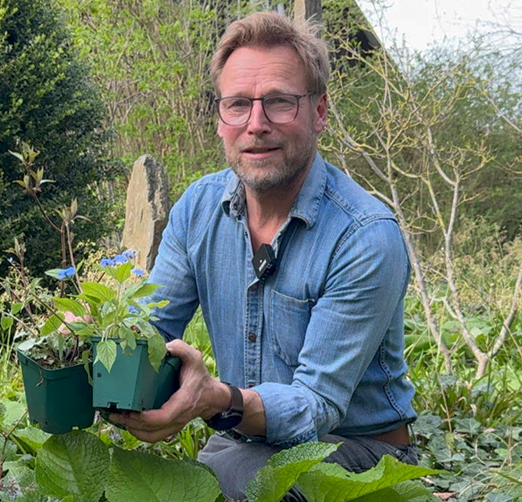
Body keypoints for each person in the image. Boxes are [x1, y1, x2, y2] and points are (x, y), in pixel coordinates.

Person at [106, 11, 418, 501]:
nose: (256, 124)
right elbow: (151, 324)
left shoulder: (365, 237)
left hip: (360, 452)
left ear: (319, 112)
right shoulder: (198, 209)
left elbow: (317, 406)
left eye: (279, 102)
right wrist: (94, 339)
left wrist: (219, 400)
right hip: (244, 441)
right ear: (219, 118)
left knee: (235, 484)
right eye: (238, 104)